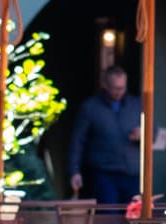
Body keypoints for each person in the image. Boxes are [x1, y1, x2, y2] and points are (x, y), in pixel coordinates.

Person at [60, 63, 144, 205]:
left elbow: (153, 133)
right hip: (104, 172)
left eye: (122, 87)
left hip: (133, 172)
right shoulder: (90, 107)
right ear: (105, 85)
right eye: (115, 88)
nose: (119, 91)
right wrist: (74, 170)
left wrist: (142, 134)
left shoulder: (136, 105)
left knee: (133, 216)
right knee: (107, 217)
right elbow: (78, 141)